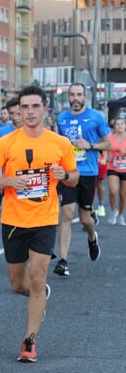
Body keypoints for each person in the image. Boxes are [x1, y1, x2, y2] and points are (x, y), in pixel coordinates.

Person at [0, 85, 78, 362]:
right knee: (17, 284)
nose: (30, 112)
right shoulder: (7, 142)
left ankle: (29, 341)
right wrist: (9, 181)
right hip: (13, 220)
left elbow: (74, 177)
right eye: (25, 107)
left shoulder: (59, 143)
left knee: (37, 279)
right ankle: (39, 298)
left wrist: (65, 174)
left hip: (45, 220)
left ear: (45, 110)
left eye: (36, 106)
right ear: (19, 111)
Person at [53, 82, 109, 276]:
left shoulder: (96, 117)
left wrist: (90, 145)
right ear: (68, 98)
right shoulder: (61, 118)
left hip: (88, 173)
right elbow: (55, 144)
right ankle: (63, 261)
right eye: (72, 95)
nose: (75, 98)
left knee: (85, 219)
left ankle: (92, 237)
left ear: (85, 97)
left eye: (79, 94)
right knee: (67, 214)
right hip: (68, 172)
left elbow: (109, 143)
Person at [105, 117, 126, 225]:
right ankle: (114, 211)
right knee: (113, 191)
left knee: (123, 194)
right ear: (114, 127)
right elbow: (105, 150)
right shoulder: (110, 137)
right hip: (112, 167)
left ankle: (121, 215)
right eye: (117, 124)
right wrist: (107, 156)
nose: (120, 126)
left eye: (122, 124)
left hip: (125, 168)